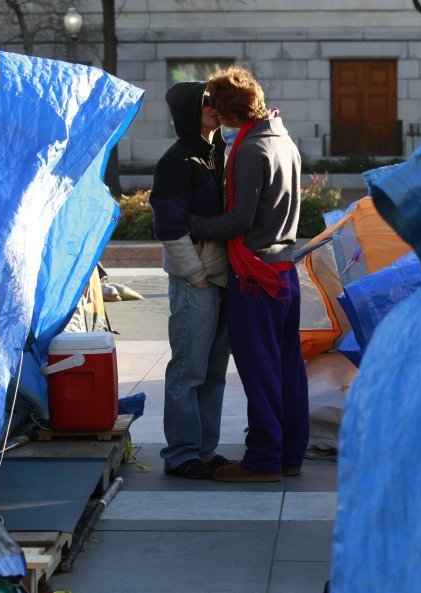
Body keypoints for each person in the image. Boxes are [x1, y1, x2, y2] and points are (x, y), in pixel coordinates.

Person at [190, 65, 309, 482]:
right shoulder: (284, 140)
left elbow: (239, 219)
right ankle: (290, 455)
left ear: (229, 111)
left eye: (218, 109)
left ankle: (262, 460)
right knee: (287, 369)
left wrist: (199, 226)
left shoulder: (250, 150)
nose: (215, 118)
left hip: (254, 275)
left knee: (259, 373)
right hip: (284, 273)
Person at [149, 81, 233, 479]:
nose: (214, 109)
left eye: (217, 103)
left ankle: (204, 448)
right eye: (205, 104)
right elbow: (169, 228)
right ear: (188, 111)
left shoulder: (217, 154)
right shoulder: (176, 161)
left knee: (213, 371)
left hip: (221, 281)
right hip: (196, 282)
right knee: (188, 370)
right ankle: (182, 454)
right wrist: (196, 276)